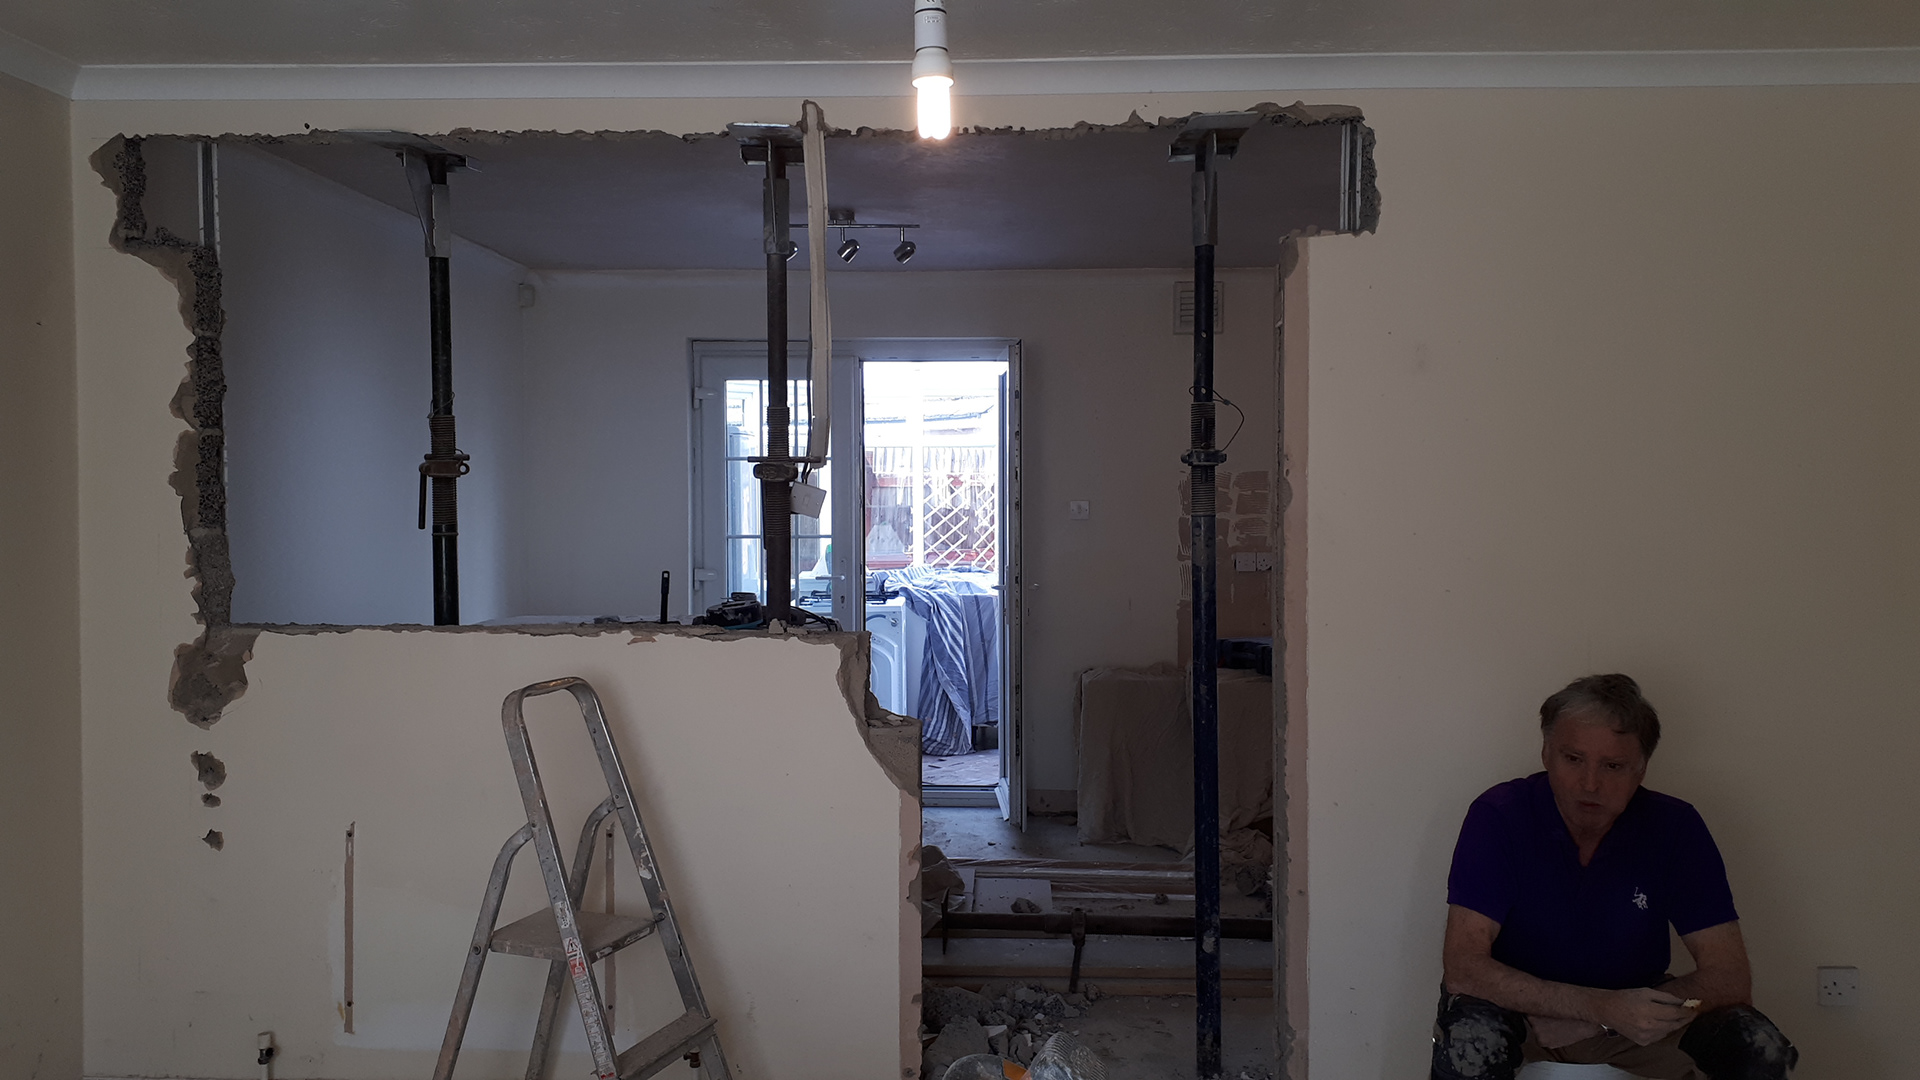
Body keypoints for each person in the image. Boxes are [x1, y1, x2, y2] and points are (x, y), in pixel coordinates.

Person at [1431, 674, 1797, 1080]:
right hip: (1519, 1013)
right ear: (1546, 754)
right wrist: (1597, 1007)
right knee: (1470, 1043)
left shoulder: (1675, 827)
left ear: (1640, 770)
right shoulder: (1499, 814)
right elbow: (1464, 966)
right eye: (1573, 759)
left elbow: (1730, 976)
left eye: (1613, 766)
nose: (1590, 783)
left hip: (1635, 1013)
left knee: (1758, 1048)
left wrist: (1605, 1017)